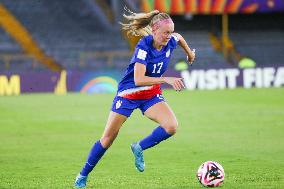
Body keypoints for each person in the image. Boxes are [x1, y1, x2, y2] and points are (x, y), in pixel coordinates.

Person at [74, 9, 196, 188]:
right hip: (129, 94)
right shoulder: (143, 46)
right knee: (107, 139)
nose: (169, 36)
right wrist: (166, 79)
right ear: (154, 30)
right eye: (165, 33)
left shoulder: (171, 40)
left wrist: (189, 54)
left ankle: (139, 147)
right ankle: (82, 176)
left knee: (171, 126)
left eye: (170, 32)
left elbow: (179, 37)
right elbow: (139, 80)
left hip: (150, 94)